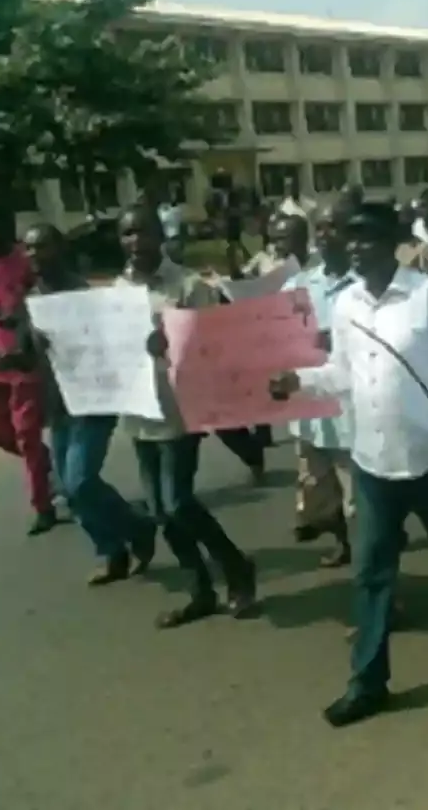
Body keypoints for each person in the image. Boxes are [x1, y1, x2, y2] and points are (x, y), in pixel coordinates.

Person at [268, 199, 428, 729]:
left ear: (391, 244)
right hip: (374, 462)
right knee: (371, 573)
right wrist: (298, 380)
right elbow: (342, 372)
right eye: (350, 238)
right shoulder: (348, 305)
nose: (356, 247)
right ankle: (368, 682)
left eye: (367, 238)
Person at [117, 207, 258, 628]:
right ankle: (200, 589)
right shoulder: (118, 291)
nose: (134, 242)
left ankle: (235, 565)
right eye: (126, 234)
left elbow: (214, 347)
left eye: (142, 232)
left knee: (178, 502)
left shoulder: (189, 286)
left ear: (161, 236)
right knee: (161, 510)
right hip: (140, 411)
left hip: (181, 411)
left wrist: (173, 342)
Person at [12, 223, 156, 584]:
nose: (33, 256)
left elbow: (110, 346)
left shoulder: (82, 295)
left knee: (79, 480)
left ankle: (137, 526)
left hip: (92, 402)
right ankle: (111, 550)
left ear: (60, 249)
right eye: (28, 249)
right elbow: (28, 356)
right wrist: (12, 359)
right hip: (58, 405)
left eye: (41, 247)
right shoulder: (30, 297)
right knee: (69, 488)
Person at [0, 205, 60, 535]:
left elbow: (42, 304)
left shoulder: (25, 262)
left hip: (25, 361)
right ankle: (45, 464)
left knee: (26, 433)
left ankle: (43, 505)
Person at [279, 211, 356, 567]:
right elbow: (272, 335)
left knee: (355, 494)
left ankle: (374, 570)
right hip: (309, 410)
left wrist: (336, 338)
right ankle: (344, 542)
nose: (325, 235)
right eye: (320, 228)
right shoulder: (297, 286)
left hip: (351, 407)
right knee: (318, 487)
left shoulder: (365, 284)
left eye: (334, 227)